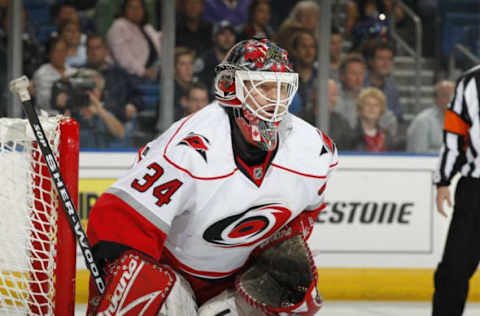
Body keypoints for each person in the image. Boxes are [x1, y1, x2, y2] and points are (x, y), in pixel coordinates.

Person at [86, 37, 336, 316]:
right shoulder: (190, 150)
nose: (274, 100)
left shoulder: (314, 151)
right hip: (171, 277)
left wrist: (278, 246)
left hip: (237, 283)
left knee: (298, 297)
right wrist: (115, 278)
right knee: (142, 284)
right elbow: (119, 220)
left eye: (281, 88)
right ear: (232, 87)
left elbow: (305, 214)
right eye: (263, 86)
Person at [433, 65, 480, 316]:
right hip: (476, 189)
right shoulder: (472, 82)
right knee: (454, 268)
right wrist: (443, 180)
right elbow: (454, 136)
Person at [51, 69, 126, 148]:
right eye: (84, 89)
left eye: (93, 88)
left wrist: (100, 110)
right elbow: (56, 140)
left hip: (101, 156)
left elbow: (120, 134)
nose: (88, 93)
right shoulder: (70, 109)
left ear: (101, 92)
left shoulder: (105, 111)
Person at [85, 34, 144, 123]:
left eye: (97, 48)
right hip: (87, 123)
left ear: (106, 50)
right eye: (90, 48)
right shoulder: (78, 72)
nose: (94, 52)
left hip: (117, 120)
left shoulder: (120, 74)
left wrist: (133, 105)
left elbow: (138, 97)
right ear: (86, 51)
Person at [107, 0, 162, 81]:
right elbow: (123, 58)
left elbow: (159, 44)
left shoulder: (147, 27)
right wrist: (143, 72)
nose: (135, 10)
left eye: (139, 7)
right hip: (131, 78)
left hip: (154, 73)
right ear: (124, 10)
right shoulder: (119, 26)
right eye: (131, 7)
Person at [406, 80, 455, 153]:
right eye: (445, 95)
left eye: (454, 95)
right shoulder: (423, 121)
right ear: (435, 99)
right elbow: (418, 154)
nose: (451, 99)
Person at [32, 37, 77, 112]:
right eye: (57, 51)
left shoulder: (73, 72)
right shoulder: (42, 73)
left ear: (67, 52)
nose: (60, 54)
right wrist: (56, 98)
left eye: (63, 51)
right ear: (50, 53)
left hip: (70, 118)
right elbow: (42, 102)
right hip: (47, 118)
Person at [195, 19, 237, 98]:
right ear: (214, 38)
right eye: (222, 34)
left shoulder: (240, 61)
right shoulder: (204, 61)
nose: (227, 38)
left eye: (231, 34)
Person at [364, 40, 403, 122]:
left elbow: (398, 117)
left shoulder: (393, 87)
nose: (386, 63)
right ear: (371, 61)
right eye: (381, 58)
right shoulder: (359, 82)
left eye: (389, 59)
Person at [351, 87, 396, 152]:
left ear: (381, 110)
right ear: (360, 108)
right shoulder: (351, 136)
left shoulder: (387, 137)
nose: (372, 108)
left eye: (376, 105)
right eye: (368, 104)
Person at [174, 46, 198, 121]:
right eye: (183, 64)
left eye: (191, 63)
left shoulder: (199, 88)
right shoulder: (169, 91)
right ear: (174, 68)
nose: (188, 68)